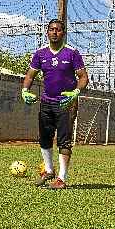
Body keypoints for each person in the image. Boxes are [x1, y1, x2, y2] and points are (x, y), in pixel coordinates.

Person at [21, 19, 89, 190]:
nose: (54, 32)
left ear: (63, 33)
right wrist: (24, 90)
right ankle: (49, 171)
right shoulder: (40, 53)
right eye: (51, 29)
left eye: (58, 30)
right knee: (44, 138)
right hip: (46, 102)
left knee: (63, 141)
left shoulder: (72, 53)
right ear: (47, 32)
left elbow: (83, 77)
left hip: (66, 103)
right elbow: (30, 75)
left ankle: (61, 178)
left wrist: (75, 93)